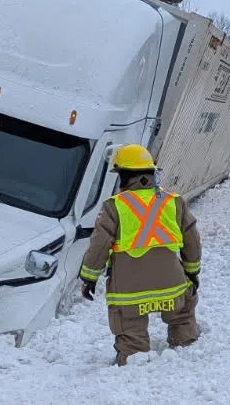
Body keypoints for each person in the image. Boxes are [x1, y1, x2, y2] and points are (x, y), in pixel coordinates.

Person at [79, 144, 201, 364]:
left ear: (124, 175)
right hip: (170, 285)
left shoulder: (113, 207)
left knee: (130, 329)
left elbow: (99, 246)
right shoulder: (173, 201)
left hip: (129, 292)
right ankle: (184, 345)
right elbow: (192, 240)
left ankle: (133, 358)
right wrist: (192, 272)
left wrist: (89, 278)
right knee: (182, 314)